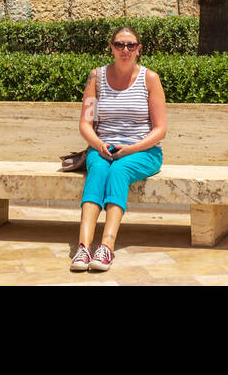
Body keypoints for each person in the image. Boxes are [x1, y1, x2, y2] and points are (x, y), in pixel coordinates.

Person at [70, 25, 166, 272]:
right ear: (111, 48)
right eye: (120, 45)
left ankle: (106, 248)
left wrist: (132, 148)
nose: (125, 49)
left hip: (144, 151)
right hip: (104, 148)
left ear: (138, 50)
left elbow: (160, 130)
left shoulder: (150, 79)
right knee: (99, 171)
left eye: (131, 45)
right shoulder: (96, 77)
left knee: (119, 171)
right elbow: (86, 123)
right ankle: (83, 247)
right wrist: (98, 144)